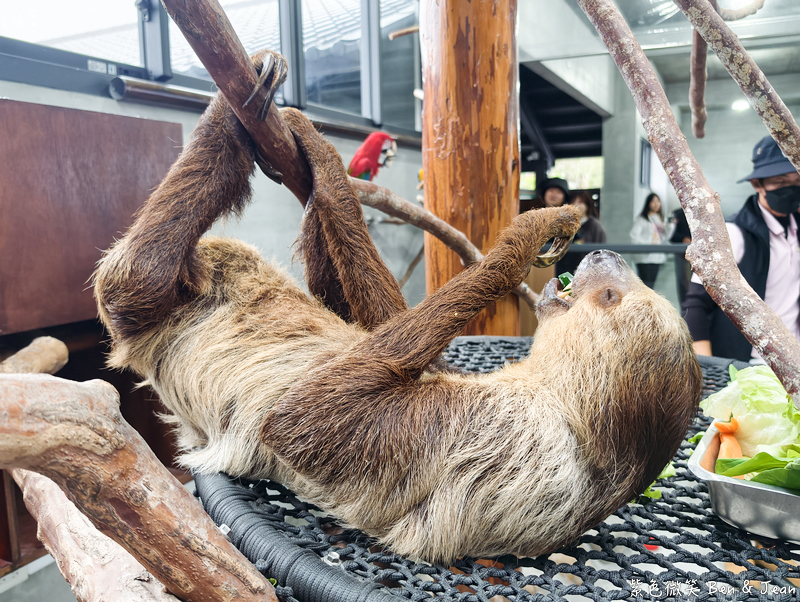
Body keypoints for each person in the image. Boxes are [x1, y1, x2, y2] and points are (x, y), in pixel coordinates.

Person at [682, 135, 800, 362]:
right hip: (753, 364)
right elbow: (696, 304)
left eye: (797, 181)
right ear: (758, 184)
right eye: (781, 182)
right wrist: (707, 368)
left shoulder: (796, 227)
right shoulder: (733, 233)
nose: (791, 189)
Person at [556, 191, 606, 276]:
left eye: (580, 202)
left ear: (587, 206)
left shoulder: (594, 225)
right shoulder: (563, 224)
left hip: (587, 272)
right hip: (564, 271)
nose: (576, 205)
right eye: (573, 202)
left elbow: (600, 252)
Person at [630, 192, 669, 288]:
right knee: (645, 285)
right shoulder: (641, 219)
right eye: (653, 201)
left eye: (658, 201)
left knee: (651, 285)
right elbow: (633, 236)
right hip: (645, 257)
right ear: (648, 203)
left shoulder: (659, 219)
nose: (656, 204)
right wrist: (648, 245)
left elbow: (662, 237)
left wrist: (670, 227)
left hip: (656, 257)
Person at [670, 207, 692, 304]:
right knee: (684, 283)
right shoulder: (677, 213)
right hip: (683, 254)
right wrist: (683, 239)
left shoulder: (703, 212)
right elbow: (671, 235)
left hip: (701, 255)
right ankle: (686, 309)